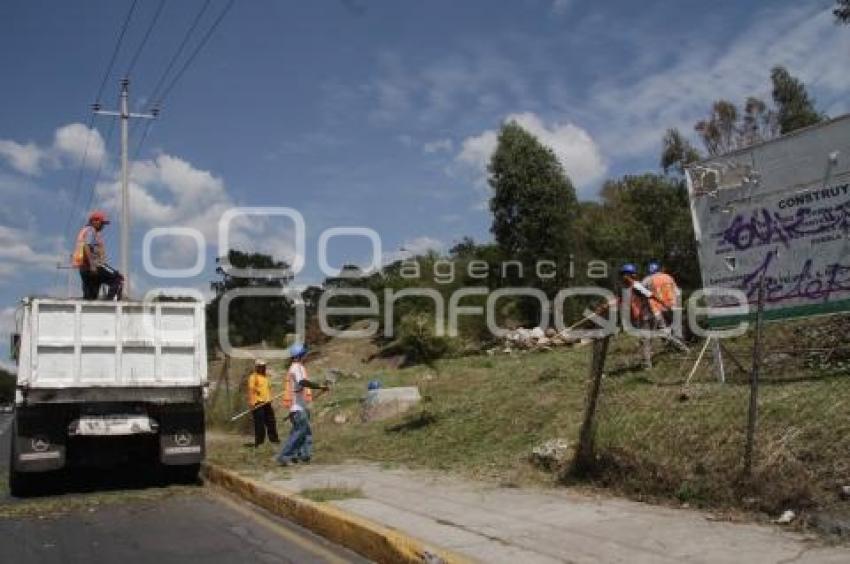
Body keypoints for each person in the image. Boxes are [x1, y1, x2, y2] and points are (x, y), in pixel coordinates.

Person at [275, 343, 329, 466]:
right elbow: (303, 382)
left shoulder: (295, 367)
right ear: (300, 355)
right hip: (298, 409)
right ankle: (284, 456)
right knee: (298, 433)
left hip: (300, 408)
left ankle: (304, 456)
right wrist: (319, 386)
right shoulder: (296, 367)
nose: (306, 356)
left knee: (304, 432)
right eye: (304, 354)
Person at [71, 210, 124, 300]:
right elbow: (86, 246)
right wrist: (92, 265)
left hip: (84, 268)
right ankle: (109, 305)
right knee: (118, 279)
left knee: (90, 296)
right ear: (94, 221)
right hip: (95, 266)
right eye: (102, 223)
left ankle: (91, 309)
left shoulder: (85, 231)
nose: (103, 226)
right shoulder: (91, 231)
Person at [247, 359, 279, 447]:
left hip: (267, 402)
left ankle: (274, 439)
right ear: (257, 367)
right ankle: (259, 442)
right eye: (261, 366)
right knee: (259, 424)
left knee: (271, 421)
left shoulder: (265, 377)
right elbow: (251, 388)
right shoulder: (253, 377)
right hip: (257, 403)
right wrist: (256, 393)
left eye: (264, 366)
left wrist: (269, 397)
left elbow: (267, 389)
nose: (263, 367)